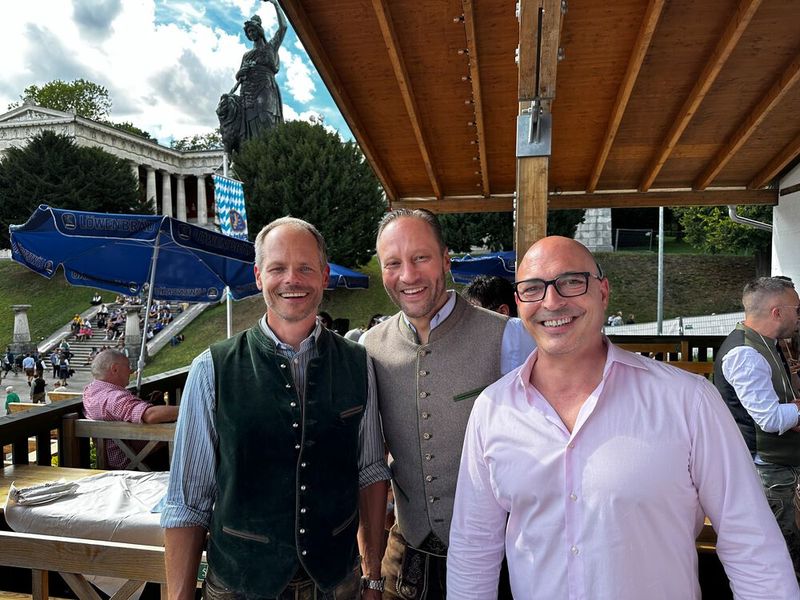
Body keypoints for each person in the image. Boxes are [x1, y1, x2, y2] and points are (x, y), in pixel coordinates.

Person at [446, 236, 798, 599]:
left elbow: (752, 542)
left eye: (571, 282)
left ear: (603, 292)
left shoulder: (687, 400)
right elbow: (474, 548)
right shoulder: (493, 410)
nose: (552, 301)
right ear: (519, 303)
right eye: (533, 288)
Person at [161, 217, 390, 600]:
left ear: (324, 275)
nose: (292, 280)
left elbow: (370, 472)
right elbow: (187, 501)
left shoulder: (357, 361)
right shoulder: (212, 368)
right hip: (241, 585)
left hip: (336, 583)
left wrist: (373, 575)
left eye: (304, 268)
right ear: (258, 275)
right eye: (278, 268)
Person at [362, 209, 534, 599]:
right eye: (393, 263)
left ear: (445, 259)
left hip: (498, 560)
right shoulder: (369, 348)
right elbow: (370, 461)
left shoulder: (509, 337)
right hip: (405, 555)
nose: (408, 275)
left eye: (420, 257)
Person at [714, 276, 800, 576]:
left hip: (776, 465)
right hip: (766, 469)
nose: (799, 316)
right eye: (796, 309)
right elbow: (770, 419)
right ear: (777, 312)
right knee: (780, 551)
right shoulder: (745, 354)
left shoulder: (765, 343)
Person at [82, 349, 178, 470]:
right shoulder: (114, 398)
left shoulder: (90, 392)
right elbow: (149, 415)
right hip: (137, 464)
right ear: (115, 369)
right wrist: (188, 407)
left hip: (115, 460)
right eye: (128, 366)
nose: (131, 371)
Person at [234, 1, 286, 140]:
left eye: (253, 30)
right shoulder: (246, 55)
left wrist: (276, 4)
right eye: (248, 32)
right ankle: (255, 154)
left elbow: (283, 27)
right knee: (252, 125)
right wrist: (242, 71)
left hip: (266, 87)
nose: (251, 33)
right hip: (249, 91)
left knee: (267, 117)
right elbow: (238, 76)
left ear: (259, 30)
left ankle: (272, 150)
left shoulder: (270, 47)